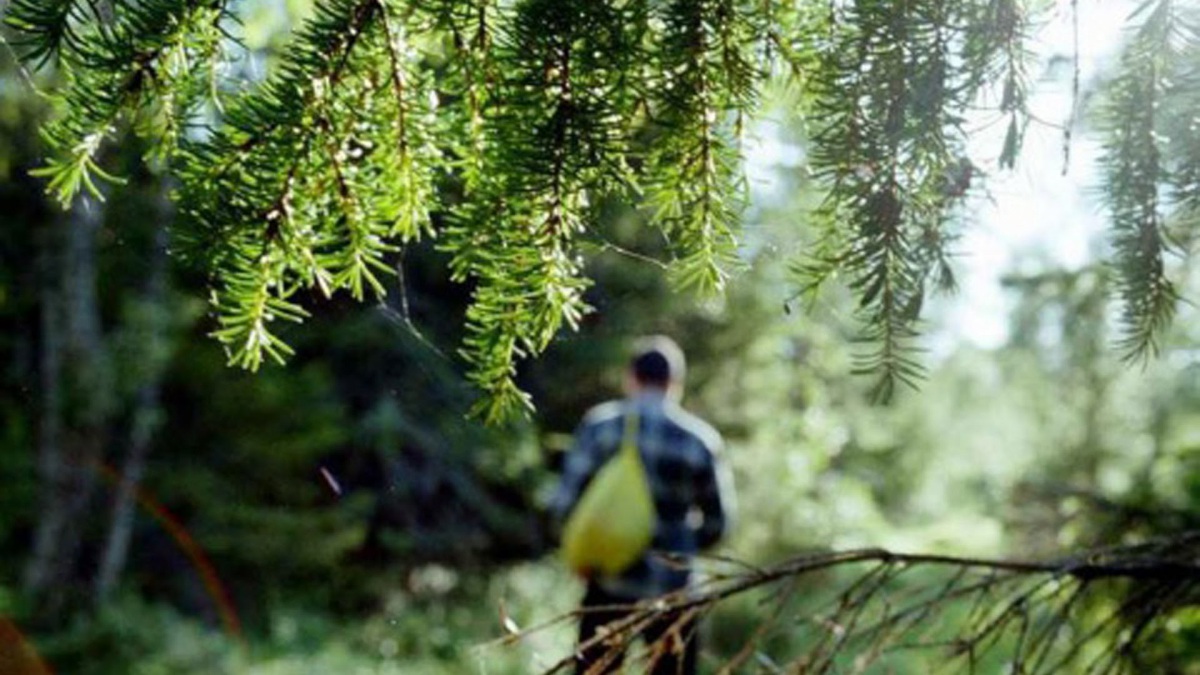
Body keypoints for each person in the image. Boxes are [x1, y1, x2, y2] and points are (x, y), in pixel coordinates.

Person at [551, 335, 733, 675]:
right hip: (674, 592)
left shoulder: (601, 426)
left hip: (607, 583)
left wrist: (582, 551)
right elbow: (718, 524)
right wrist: (681, 548)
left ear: (631, 377)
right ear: (675, 383)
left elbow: (564, 505)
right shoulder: (700, 441)